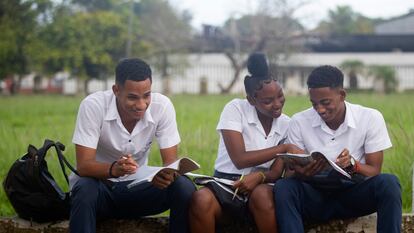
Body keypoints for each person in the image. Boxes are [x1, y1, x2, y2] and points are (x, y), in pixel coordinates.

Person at [69, 58, 196, 233]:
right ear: (116, 90)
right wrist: (114, 169)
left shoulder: (162, 106)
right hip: (101, 193)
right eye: (132, 97)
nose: (141, 105)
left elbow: (171, 162)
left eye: (147, 95)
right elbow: (83, 166)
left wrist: (165, 175)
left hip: (139, 190)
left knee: (183, 186)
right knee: (84, 188)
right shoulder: (93, 106)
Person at [274, 65, 402, 233]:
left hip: (353, 196)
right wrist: (302, 173)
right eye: (314, 104)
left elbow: (374, 170)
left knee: (389, 183)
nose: (320, 109)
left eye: (326, 103)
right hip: (315, 197)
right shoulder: (299, 121)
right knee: (284, 187)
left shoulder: (370, 117)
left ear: (342, 95)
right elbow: (290, 174)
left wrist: (353, 165)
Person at [189, 53, 301, 233]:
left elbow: (275, 172)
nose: (277, 104)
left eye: (280, 96)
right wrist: (283, 148)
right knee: (201, 200)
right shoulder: (236, 109)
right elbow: (239, 159)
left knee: (262, 197)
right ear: (251, 100)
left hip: (261, 185)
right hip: (227, 183)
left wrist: (260, 177)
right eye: (268, 101)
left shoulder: (287, 124)